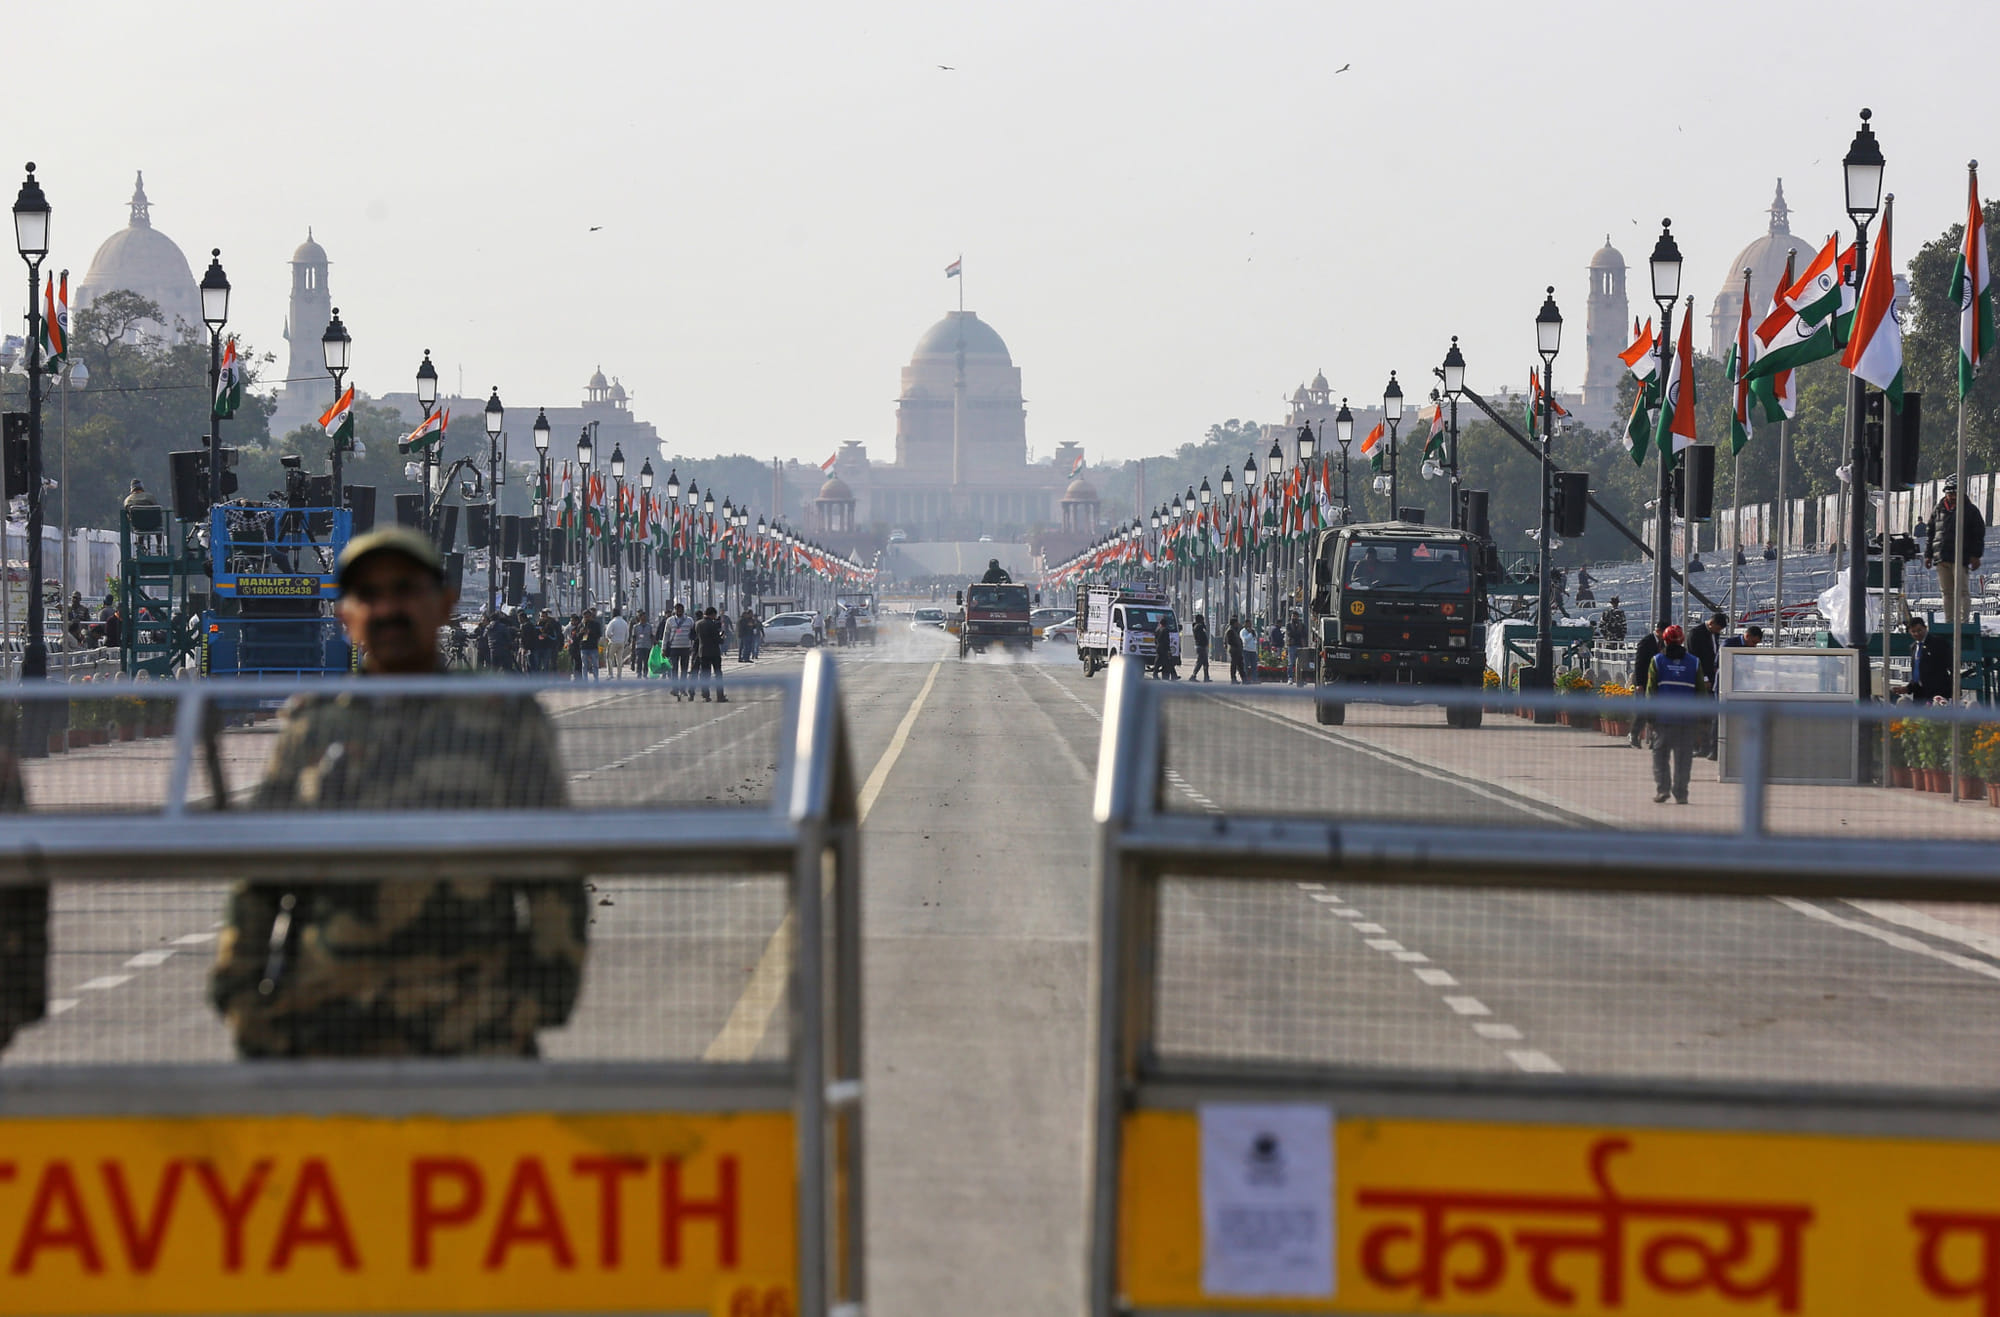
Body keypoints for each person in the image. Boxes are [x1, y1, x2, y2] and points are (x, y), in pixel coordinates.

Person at [208, 527, 586, 1057]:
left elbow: (553, 870)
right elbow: (259, 877)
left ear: (444, 604)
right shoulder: (312, 727)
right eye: (369, 595)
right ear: (345, 614)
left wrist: (542, 999)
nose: (388, 609)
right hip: (327, 1022)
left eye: (406, 590)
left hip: (472, 1022)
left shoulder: (503, 720)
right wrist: (242, 998)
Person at [1645, 623, 1708, 804]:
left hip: (1663, 719)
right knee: (1683, 759)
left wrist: (1650, 717)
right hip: (1687, 719)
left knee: (1660, 756)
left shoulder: (1657, 661)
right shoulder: (1694, 662)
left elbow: (1651, 691)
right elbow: (1701, 693)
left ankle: (1663, 790)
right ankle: (1681, 794)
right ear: (1682, 640)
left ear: (1664, 640)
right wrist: (1703, 718)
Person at [1925, 474, 1987, 627]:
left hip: (1961, 556)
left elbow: (1978, 534)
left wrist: (1975, 555)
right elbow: (1931, 533)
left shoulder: (1970, 511)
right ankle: (1949, 622)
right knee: (1947, 593)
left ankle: (1963, 623)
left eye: (1954, 493)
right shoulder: (1938, 510)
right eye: (1949, 493)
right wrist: (1928, 555)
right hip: (1942, 556)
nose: (1952, 496)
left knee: (1962, 591)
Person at [1900, 617, 1953, 703]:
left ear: (1925, 628)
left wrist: (1953, 690)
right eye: (1913, 632)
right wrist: (1908, 688)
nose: (1917, 634)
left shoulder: (1938, 643)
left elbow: (1951, 666)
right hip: (1919, 694)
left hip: (1937, 694)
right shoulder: (1913, 647)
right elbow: (1917, 673)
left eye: (1919, 630)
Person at [1629, 621, 1665, 747]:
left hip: (1656, 682)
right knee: (1642, 711)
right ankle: (1634, 735)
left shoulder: (1664, 643)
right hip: (1644, 682)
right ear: (1659, 631)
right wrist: (1639, 683)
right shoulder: (1646, 642)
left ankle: (1654, 739)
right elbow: (1639, 664)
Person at [693, 605, 727, 702]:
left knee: (704, 674)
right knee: (718, 674)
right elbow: (717, 639)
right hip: (714, 652)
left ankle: (705, 695)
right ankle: (720, 695)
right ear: (712, 614)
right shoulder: (712, 624)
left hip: (702, 652)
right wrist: (722, 638)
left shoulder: (698, 624)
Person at [662, 602, 696, 694]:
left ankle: (683, 688)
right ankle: (675, 688)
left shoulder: (690, 620)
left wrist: (693, 647)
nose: (679, 611)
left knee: (684, 669)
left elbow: (694, 634)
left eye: (680, 609)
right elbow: (666, 634)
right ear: (675, 610)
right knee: (674, 669)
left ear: (683, 610)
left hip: (686, 648)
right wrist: (663, 648)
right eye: (677, 609)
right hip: (674, 648)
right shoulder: (670, 621)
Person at [603, 608, 630, 677]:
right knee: (619, 659)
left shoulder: (612, 622)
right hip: (621, 643)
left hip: (613, 642)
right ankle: (619, 674)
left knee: (609, 658)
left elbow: (608, 633)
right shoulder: (624, 622)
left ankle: (610, 674)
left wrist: (610, 637)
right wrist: (625, 642)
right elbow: (627, 634)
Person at [629, 609, 653, 677]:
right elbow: (634, 637)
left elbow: (651, 635)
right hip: (639, 646)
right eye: (642, 616)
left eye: (645, 617)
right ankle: (639, 672)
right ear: (639, 618)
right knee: (639, 659)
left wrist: (654, 643)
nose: (644, 618)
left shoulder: (649, 626)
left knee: (646, 660)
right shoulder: (636, 627)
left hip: (647, 646)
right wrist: (633, 646)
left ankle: (645, 673)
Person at [1225, 614, 1247, 684]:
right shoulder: (1230, 630)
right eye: (1236, 623)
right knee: (1234, 665)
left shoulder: (1234, 630)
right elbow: (1230, 641)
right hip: (1234, 650)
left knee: (1240, 664)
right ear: (1234, 623)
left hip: (1237, 650)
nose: (1237, 624)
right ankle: (1233, 679)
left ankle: (1244, 679)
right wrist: (1237, 645)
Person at [1190, 614, 1211, 682]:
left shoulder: (1197, 626)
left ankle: (1206, 677)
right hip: (1201, 646)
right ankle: (1193, 676)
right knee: (1200, 662)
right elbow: (1202, 636)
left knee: (1205, 663)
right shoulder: (1199, 626)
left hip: (1201, 646)